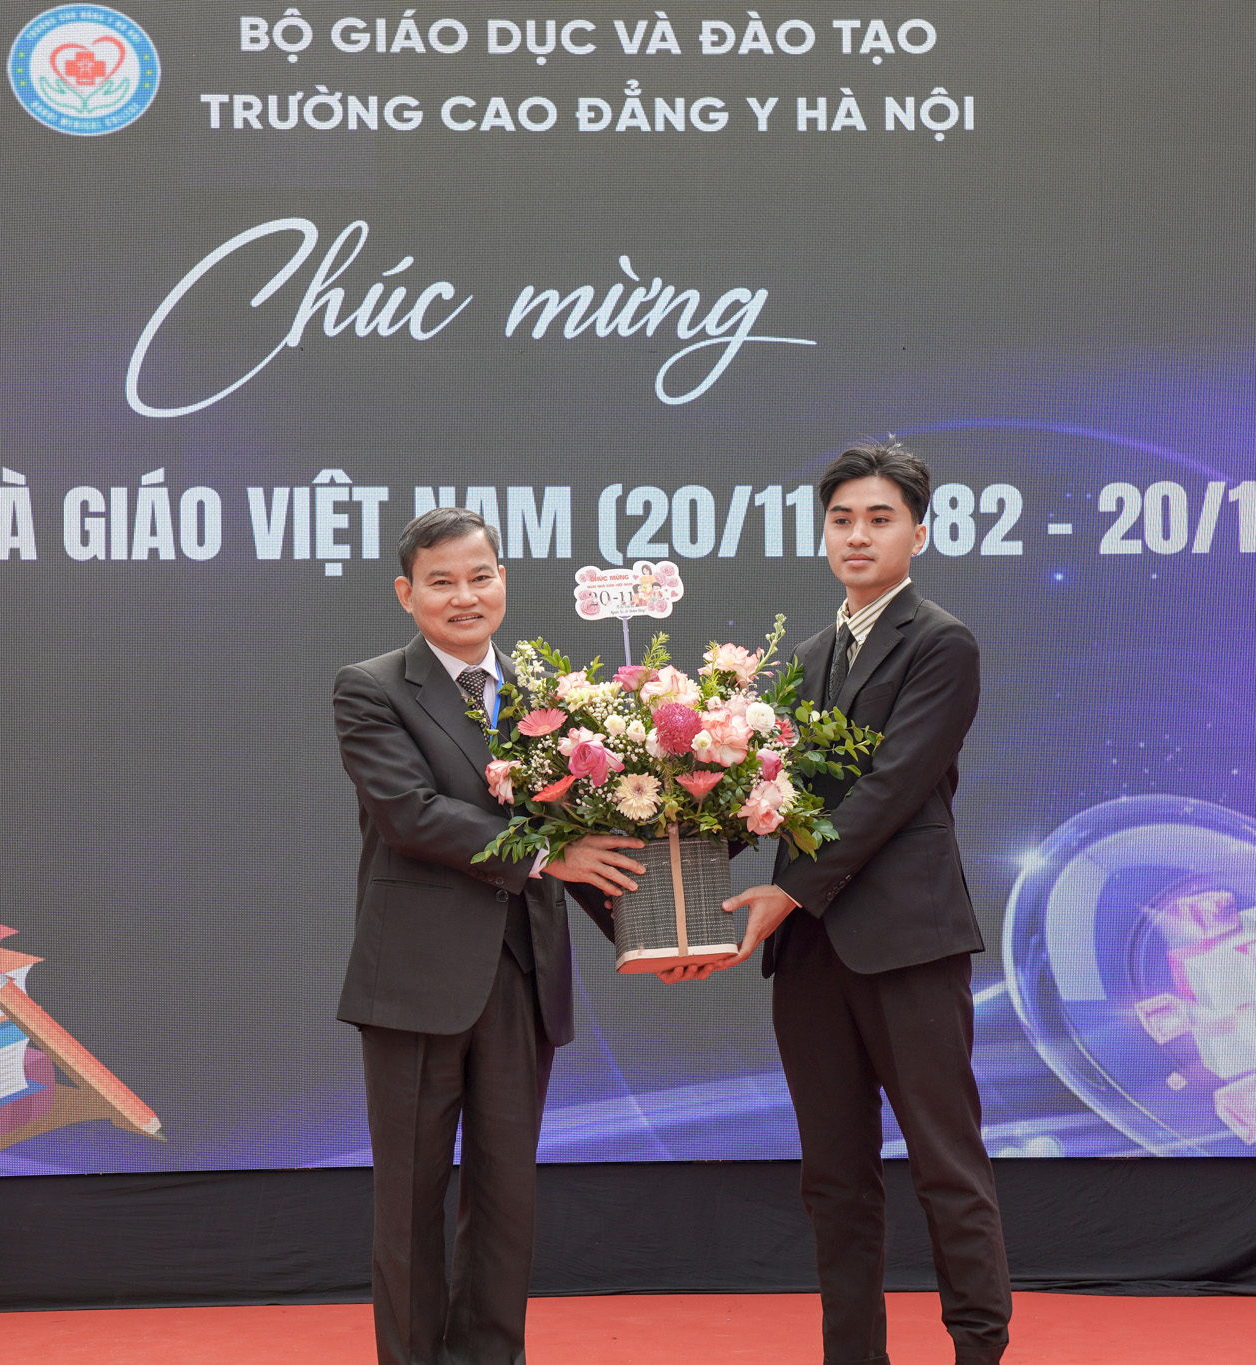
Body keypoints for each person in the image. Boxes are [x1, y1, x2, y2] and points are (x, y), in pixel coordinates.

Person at [333, 506, 648, 1365]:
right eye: (441, 581)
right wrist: (551, 852)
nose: (465, 596)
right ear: (407, 593)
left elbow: (586, 843)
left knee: (507, 1200)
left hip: (523, 976)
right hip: (416, 982)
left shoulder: (552, 696)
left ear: (503, 579)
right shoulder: (371, 687)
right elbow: (412, 816)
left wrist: (651, 931)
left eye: (480, 576)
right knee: (410, 1201)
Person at [720, 440, 1012, 1365]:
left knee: (944, 1160)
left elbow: (891, 789)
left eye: (879, 518)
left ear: (917, 533)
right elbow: (773, 794)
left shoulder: (942, 643)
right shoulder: (807, 658)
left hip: (907, 941)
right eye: (842, 519)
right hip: (811, 952)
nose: (857, 535)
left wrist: (788, 889)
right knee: (833, 1176)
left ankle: (978, 1347)